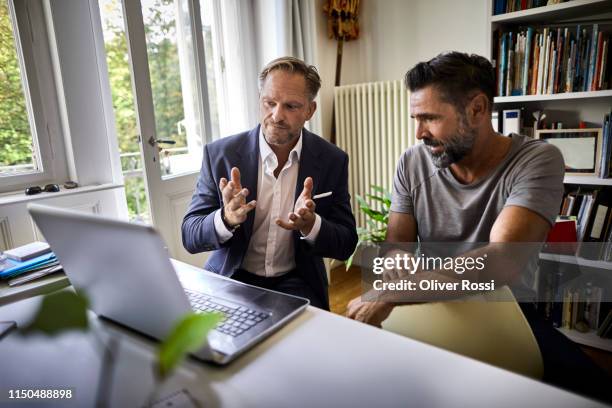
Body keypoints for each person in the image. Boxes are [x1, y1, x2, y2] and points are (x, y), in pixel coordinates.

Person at [346, 51, 611, 402]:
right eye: (416, 118)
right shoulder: (411, 163)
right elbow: (397, 245)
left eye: (429, 118)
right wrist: (397, 264)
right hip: (430, 301)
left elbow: (502, 261)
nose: (419, 133)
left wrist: (394, 291)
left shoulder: (538, 159)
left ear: (477, 109)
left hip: (507, 312)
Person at [182, 56, 358, 310]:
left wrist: (312, 225)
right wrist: (226, 219)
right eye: (270, 103)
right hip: (233, 278)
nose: (277, 115)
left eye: (291, 106)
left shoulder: (333, 160)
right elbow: (190, 234)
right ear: (260, 100)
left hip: (298, 281)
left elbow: (346, 243)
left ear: (310, 110)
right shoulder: (220, 155)